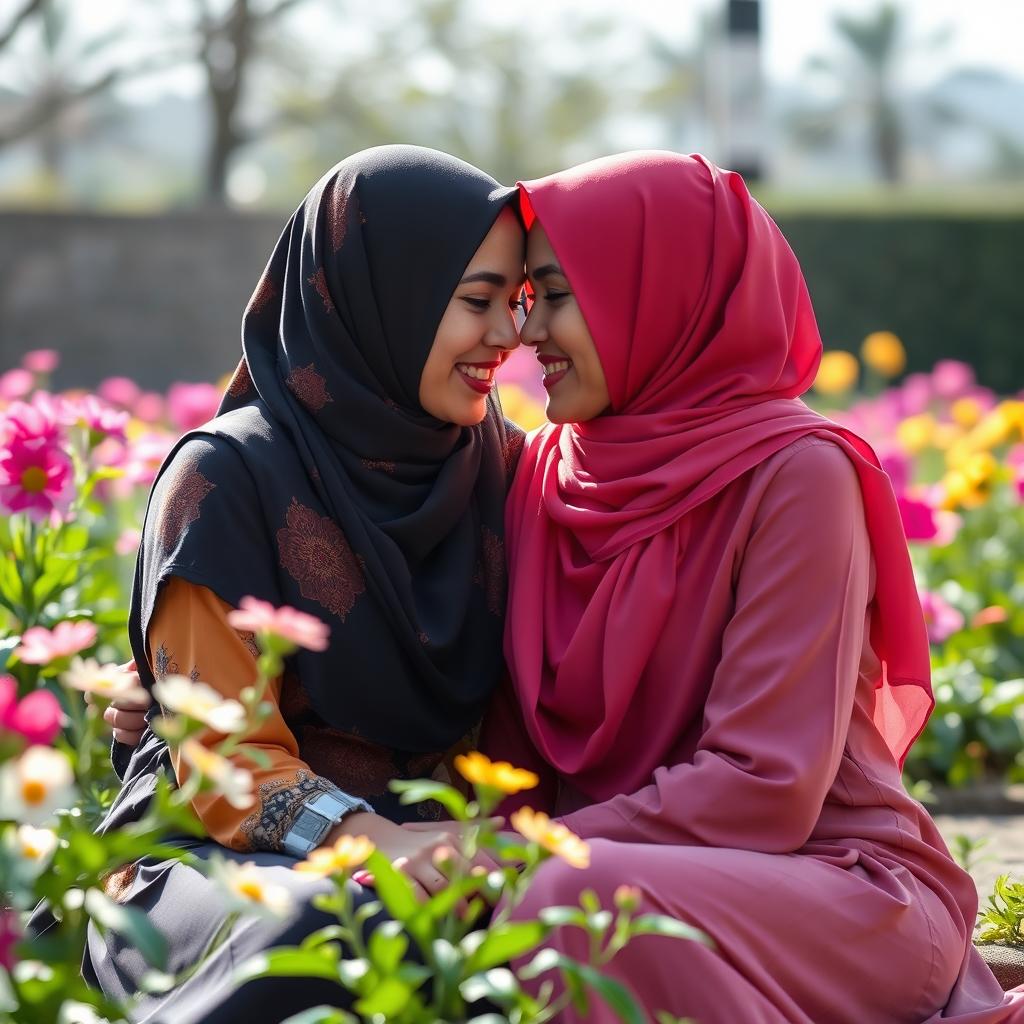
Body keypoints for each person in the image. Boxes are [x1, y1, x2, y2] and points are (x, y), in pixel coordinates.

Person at [472, 150, 1024, 1023]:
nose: (526, 332)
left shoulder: (794, 473)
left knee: (573, 904)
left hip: (832, 888)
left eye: (560, 295)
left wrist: (506, 853)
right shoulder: (538, 474)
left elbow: (762, 787)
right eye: (528, 298)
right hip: (603, 873)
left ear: (662, 296)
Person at [80, 144, 527, 1024]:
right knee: (333, 931)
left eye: (514, 303)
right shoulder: (225, 477)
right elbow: (223, 761)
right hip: (214, 858)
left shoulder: (497, 465)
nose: (507, 338)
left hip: (440, 845)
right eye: (475, 302)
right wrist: (372, 838)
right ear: (377, 295)